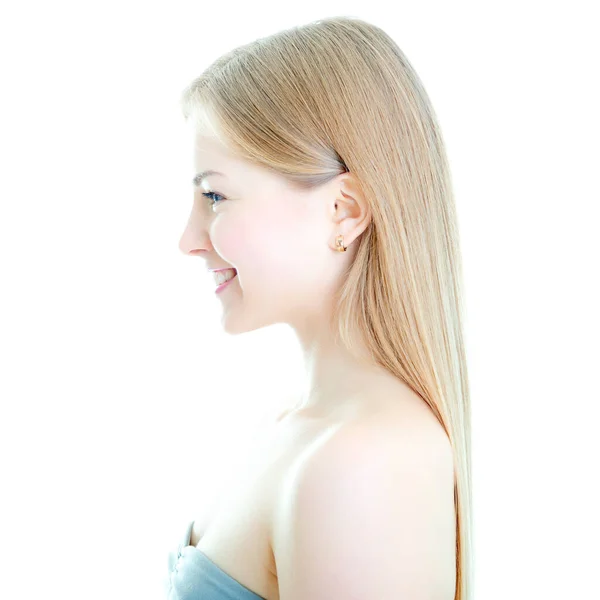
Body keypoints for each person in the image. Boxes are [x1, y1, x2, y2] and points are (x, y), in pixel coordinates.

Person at [170, 15, 472, 600]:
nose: (188, 238)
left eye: (214, 196)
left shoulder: (364, 463)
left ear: (345, 210)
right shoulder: (296, 426)